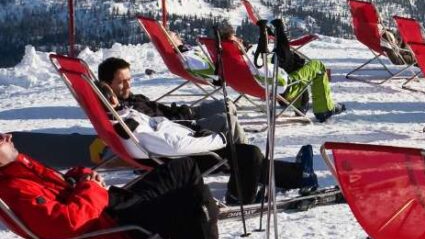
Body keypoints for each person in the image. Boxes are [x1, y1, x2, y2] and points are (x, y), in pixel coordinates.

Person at [0, 132, 249, 239]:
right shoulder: (15, 188)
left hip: (107, 213)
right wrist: (89, 187)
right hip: (110, 234)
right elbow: (67, 224)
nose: (8, 136)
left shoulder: (18, 170)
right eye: (0, 137)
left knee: (183, 171)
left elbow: (66, 184)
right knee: (188, 196)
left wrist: (85, 178)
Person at [96, 83, 317, 206]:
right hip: (183, 155)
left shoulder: (125, 116)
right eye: (110, 96)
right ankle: (243, 196)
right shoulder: (130, 124)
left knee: (246, 155)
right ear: (108, 102)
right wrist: (215, 139)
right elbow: (173, 146)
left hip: (187, 142)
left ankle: (296, 174)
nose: (116, 97)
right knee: (249, 154)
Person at [98, 57, 246, 144]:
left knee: (226, 104)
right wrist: (184, 115)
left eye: (129, 79)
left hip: (183, 115)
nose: (128, 85)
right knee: (228, 120)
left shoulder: (131, 98)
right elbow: (161, 126)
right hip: (182, 128)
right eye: (121, 82)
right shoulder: (125, 113)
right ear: (107, 85)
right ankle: (246, 162)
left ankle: (234, 149)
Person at [219, 21, 346, 123]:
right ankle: (324, 109)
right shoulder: (248, 62)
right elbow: (274, 77)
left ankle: (301, 104)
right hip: (283, 88)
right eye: (236, 39)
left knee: (288, 58)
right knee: (318, 66)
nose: (240, 40)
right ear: (234, 44)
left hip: (261, 86)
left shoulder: (227, 60)